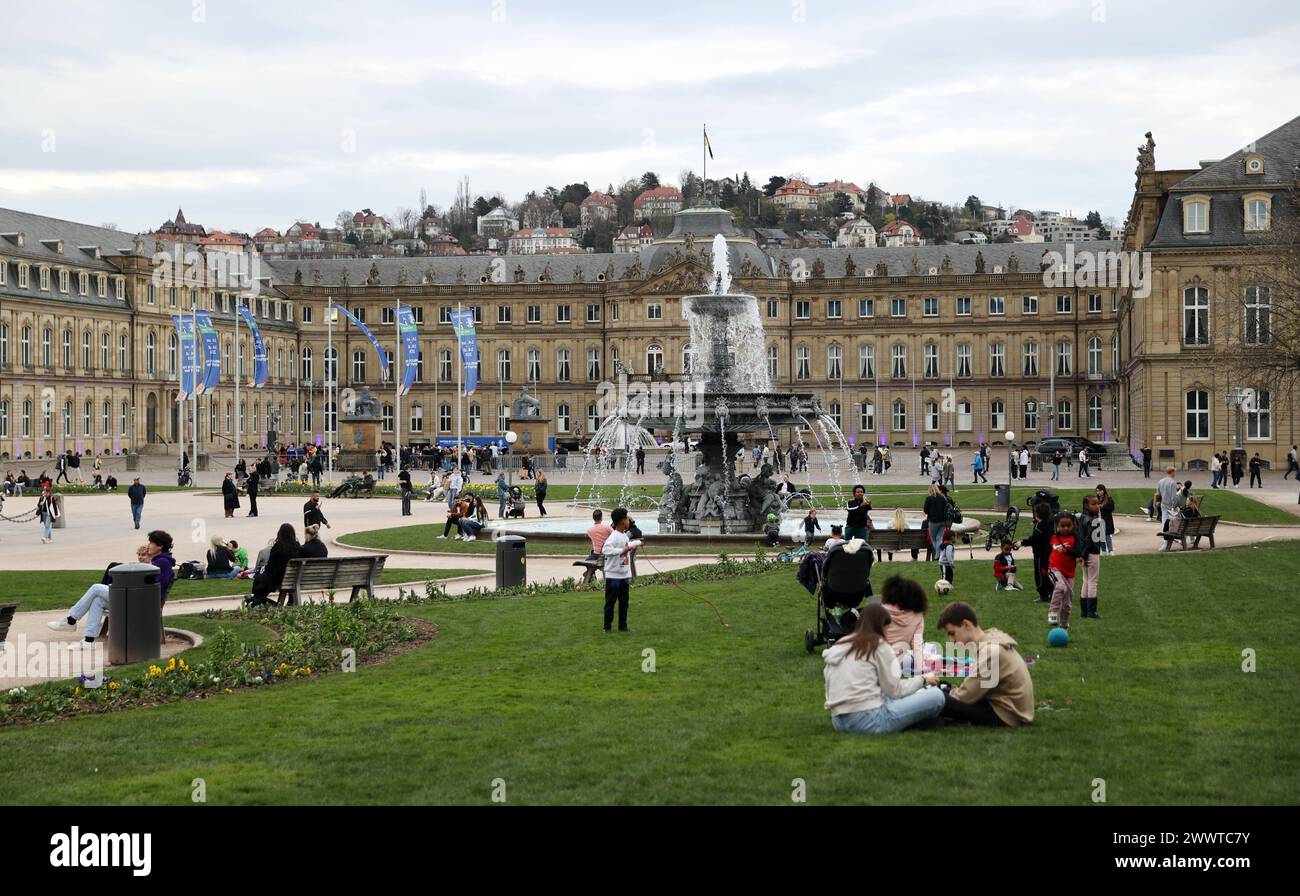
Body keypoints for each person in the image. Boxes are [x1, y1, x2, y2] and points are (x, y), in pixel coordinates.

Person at [822, 603, 944, 735]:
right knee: (936, 696)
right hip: (868, 720)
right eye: (888, 628)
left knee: (887, 695)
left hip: (838, 722)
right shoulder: (878, 645)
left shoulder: (841, 645)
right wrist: (924, 679)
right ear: (881, 626)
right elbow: (896, 690)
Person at [49, 530, 176, 649]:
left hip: (140, 603)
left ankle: (71, 621)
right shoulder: (158, 561)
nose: (148, 545)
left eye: (151, 543)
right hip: (134, 598)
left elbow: (152, 585)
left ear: (159, 546)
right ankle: (89, 640)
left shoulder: (163, 563)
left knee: (96, 588)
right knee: (98, 600)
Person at [936, 602, 1035, 727]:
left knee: (938, 700)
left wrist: (941, 694)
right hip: (1008, 707)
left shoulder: (990, 651)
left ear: (966, 624)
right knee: (942, 692)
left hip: (1006, 716)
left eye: (952, 633)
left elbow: (965, 696)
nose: (951, 640)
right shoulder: (990, 639)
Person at [600, 508, 639, 633]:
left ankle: (622, 625)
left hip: (623, 575)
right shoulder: (614, 536)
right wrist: (622, 550)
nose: (629, 521)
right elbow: (605, 550)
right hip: (613, 576)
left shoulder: (623, 536)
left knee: (624, 602)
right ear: (622, 521)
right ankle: (607, 627)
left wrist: (634, 545)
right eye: (627, 518)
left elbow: (626, 549)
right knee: (611, 601)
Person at [880, 575, 927, 675]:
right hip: (895, 658)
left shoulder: (880, 610)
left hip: (874, 657)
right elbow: (917, 645)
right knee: (905, 648)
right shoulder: (918, 616)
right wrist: (922, 669)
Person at [249, 524, 300, 607]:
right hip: (294, 578)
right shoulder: (297, 547)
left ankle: (257, 599)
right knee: (263, 579)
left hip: (278, 579)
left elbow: (270, 567)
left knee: (260, 579)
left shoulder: (278, 547)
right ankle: (258, 599)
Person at [1048, 513, 1079, 629]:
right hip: (1054, 568)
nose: (1065, 528)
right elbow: (1052, 547)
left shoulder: (1075, 538)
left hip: (1069, 573)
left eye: (1068, 525)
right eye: (1062, 526)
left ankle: (1064, 625)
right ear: (1057, 526)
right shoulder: (1054, 537)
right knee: (1060, 587)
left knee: (1067, 603)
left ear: (1074, 525)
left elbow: (1078, 552)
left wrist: (1068, 551)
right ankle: (1052, 617)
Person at [1078, 495, 1105, 619]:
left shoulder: (1083, 517)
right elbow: (1090, 540)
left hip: (1084, 552)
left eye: (1098, 503)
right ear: (1086, 505)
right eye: (1093, 504)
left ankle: (1084, 611)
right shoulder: (1093, 520)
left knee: (1086, 580)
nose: (1097, 506)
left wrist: (1081, 554)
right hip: (1091, 552)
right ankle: (1091, 611)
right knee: (1093, 581)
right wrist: (1085, 554)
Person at [923, 484, 948, 558]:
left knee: (933, 538)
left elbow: (925, 511)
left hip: (933, 521)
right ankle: (939, 554)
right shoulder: (942, 498)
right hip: (943, 521)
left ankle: (938, 554)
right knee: (939, 538)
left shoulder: (928, 498)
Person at [1095, 484, 1116, 554]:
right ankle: (1103, 551)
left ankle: (1110, 550)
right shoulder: (1095, 499)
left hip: (1106, 519)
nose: (1098, 492)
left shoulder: (1108, 498)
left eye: (1100, 491)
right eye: (1097, 491)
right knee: (1101, 536)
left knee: (1107, 535)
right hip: (1098, 519)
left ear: (1103, 491)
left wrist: (1103, 506)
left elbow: (1112, 508)